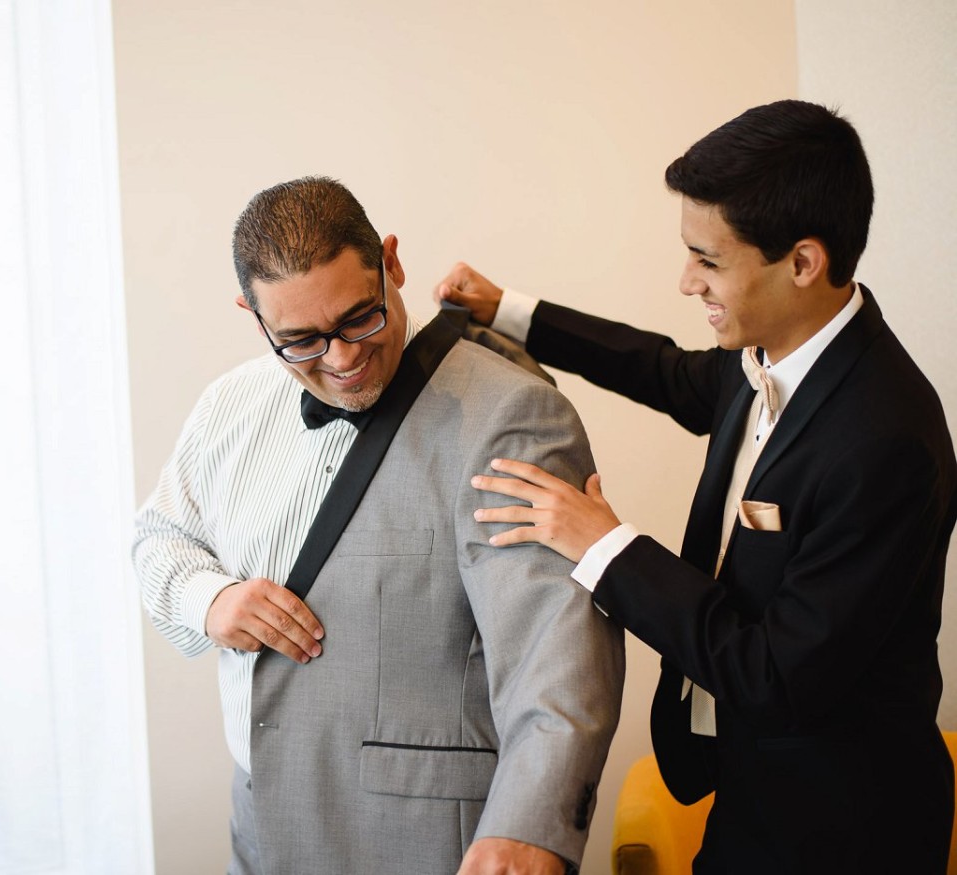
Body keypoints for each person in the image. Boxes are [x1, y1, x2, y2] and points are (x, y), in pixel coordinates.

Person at [436, 100, 956, 873]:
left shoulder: (887, 441)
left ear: (803, 263)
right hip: (745, 789)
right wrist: (509, 311)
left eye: (708, 260)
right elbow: (665, 371)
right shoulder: (769, 352)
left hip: (845, 823)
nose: (686, 281)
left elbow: (775, 674)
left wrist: (606, 545)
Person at [134, 176, 624, 875]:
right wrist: (207, 599)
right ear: (254, 316)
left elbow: (558, 649)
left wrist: (532, 827)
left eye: (360, 318)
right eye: (301, 341)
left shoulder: (511, 415)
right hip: (258, 826)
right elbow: (157, 537)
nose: (341, 358)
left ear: (391, 263)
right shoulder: (227, 407)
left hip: (426, 840)